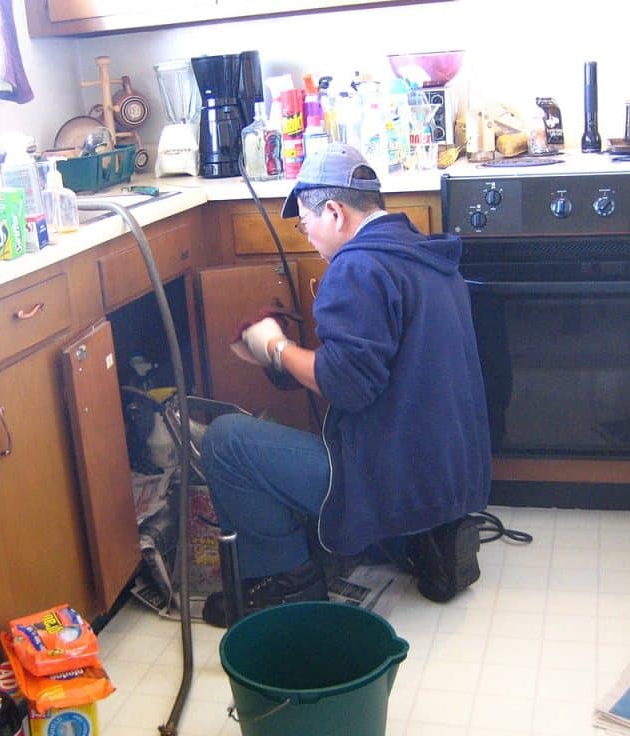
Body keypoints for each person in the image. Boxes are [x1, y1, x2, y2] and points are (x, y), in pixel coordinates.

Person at [200, 143, 491, 627]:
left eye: (306, 223)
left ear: (334, 212)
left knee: (228, 441)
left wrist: (274, 347)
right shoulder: (426, 256)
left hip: (396, 480)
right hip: (452, 477)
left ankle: (285, 587)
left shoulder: (357, 267)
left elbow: (348, 386)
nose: (307, 237)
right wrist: (290, 358)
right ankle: (417, 538)